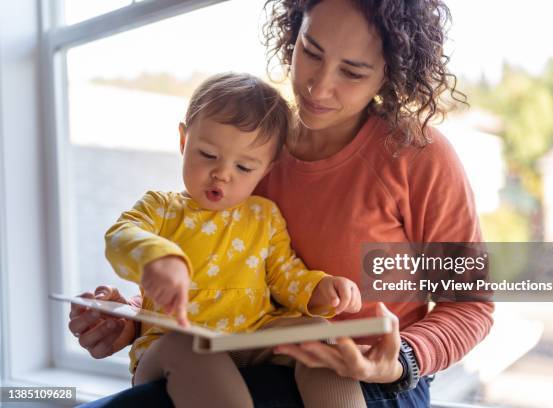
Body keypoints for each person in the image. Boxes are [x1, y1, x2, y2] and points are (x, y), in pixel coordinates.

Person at [69, 0, 494, 406]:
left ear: (390, 73)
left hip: (371, 384)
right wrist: (132, 318)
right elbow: (216, 263)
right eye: (310, 51)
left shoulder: (418, 156)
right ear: (294, 32)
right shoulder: (254, 148)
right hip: (253, 354)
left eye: (352, 71)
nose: (319, 85)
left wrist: (402, 357)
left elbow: (472, 306)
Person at [101, 71, 365, 408]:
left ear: (267, 169)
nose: (222, 173)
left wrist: (319, 290)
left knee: (320, 332)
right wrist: (156, 258)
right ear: (184, 141)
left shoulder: (264, 216)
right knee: (189, 346)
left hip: (252, 335)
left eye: (244, 167)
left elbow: (285, 275)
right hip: (171, 346)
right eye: (208, 155)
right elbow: (120, 235)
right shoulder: (162, 208)